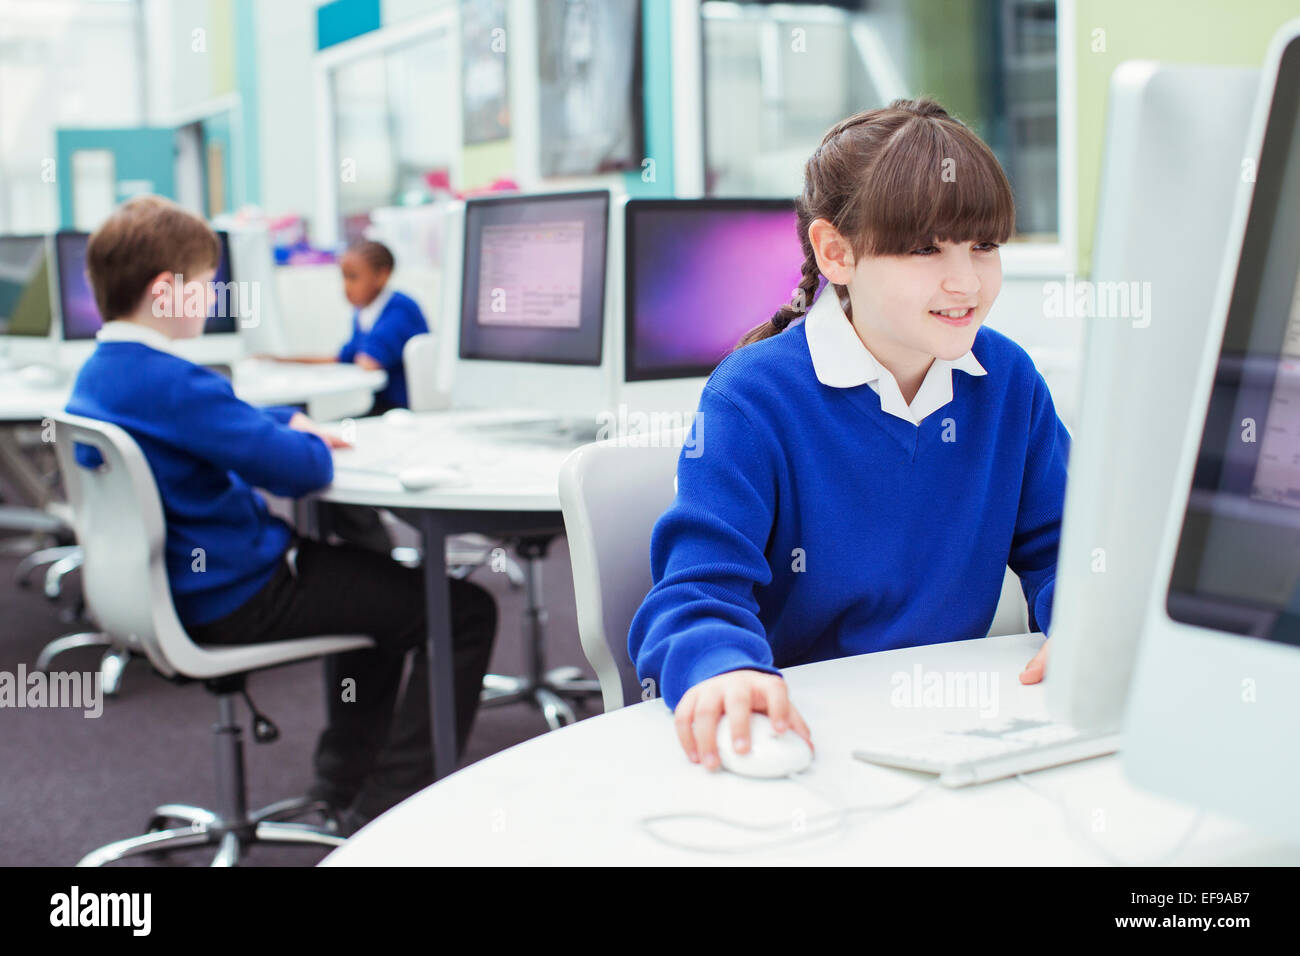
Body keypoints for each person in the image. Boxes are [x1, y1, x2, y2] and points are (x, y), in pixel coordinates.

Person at [628, 98, 1068, 771]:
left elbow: (1065, 545)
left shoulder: (1007, 380)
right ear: (837, 253)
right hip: (809, 734)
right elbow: (696, 593)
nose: (966, 280)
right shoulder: (753, 398)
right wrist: (721, 668)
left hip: (956, 727)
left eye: (984, 245)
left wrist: (1084, 627)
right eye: (925, 249)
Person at [66, 196, 497, 831]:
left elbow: (212, 425)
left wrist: (273, 421)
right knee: (462, 610)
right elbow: (301, 470)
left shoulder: (105, 375)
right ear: (165, 292)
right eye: (206, 287)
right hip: (239, 595)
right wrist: (302, 436)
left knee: (374, 580)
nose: (213, 301)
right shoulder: (177, 381)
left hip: (173, 591)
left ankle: (341, 781)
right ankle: (396, 810)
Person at [271, 239, 428, 415]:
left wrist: (357, 358)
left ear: (382, 275)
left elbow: (369, 362)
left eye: (353, 277)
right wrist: (282, 360)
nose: (346, 286)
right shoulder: (363, 313)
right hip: (382, 406)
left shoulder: (400, 309)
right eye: (343, 277)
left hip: (402, 409)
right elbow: (343, 357)